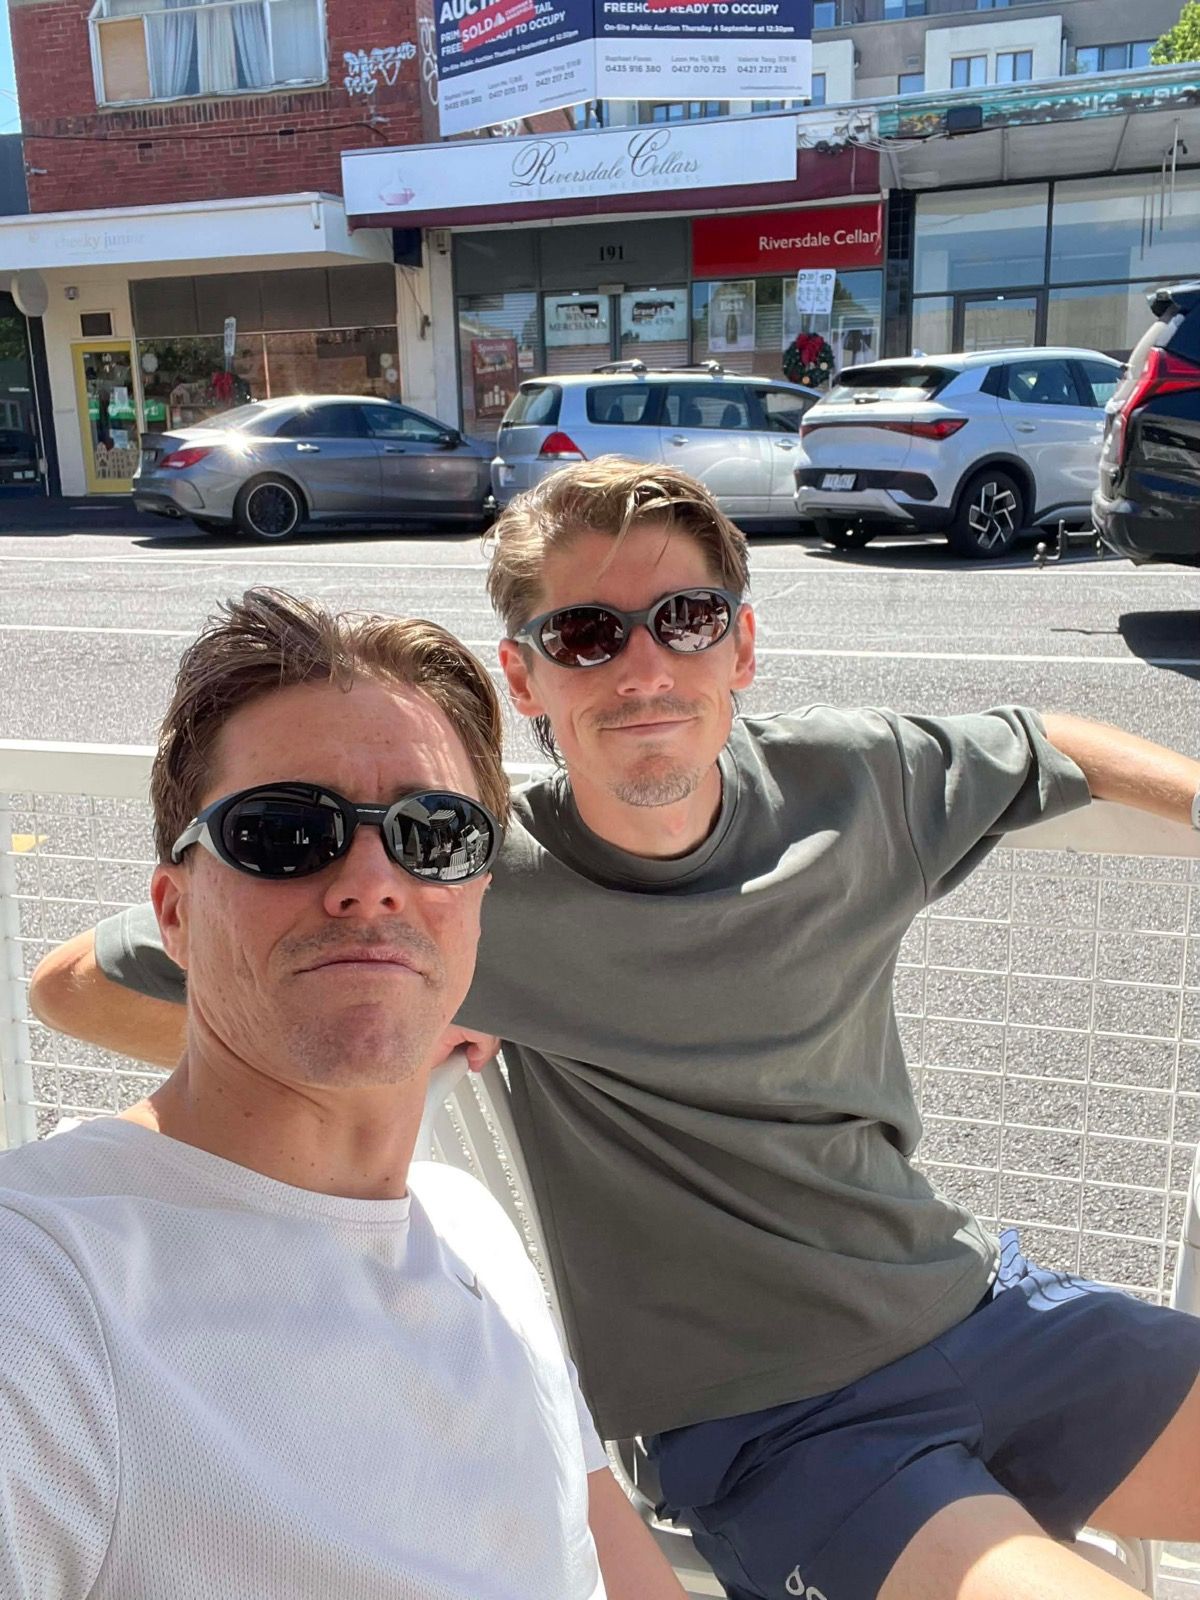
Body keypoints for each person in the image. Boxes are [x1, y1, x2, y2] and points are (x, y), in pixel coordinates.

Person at [31, 463, 1200, 1600]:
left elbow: (1046, 742)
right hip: (775, 1417)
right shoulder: (456, 872)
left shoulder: (853, 778)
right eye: (586, 635)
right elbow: (74, 986)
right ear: (526, 676)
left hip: (977, 1302)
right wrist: (373, 1041)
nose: (644, 667)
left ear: (741, 646)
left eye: (686, 619)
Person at [5, 587, 688, 1600]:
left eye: (435, 833)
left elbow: (606, 1560)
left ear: (478, 900)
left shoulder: (473, 1231)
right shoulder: (45, 1291)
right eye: (283, 832)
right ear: (174, 913)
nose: (372, 880)